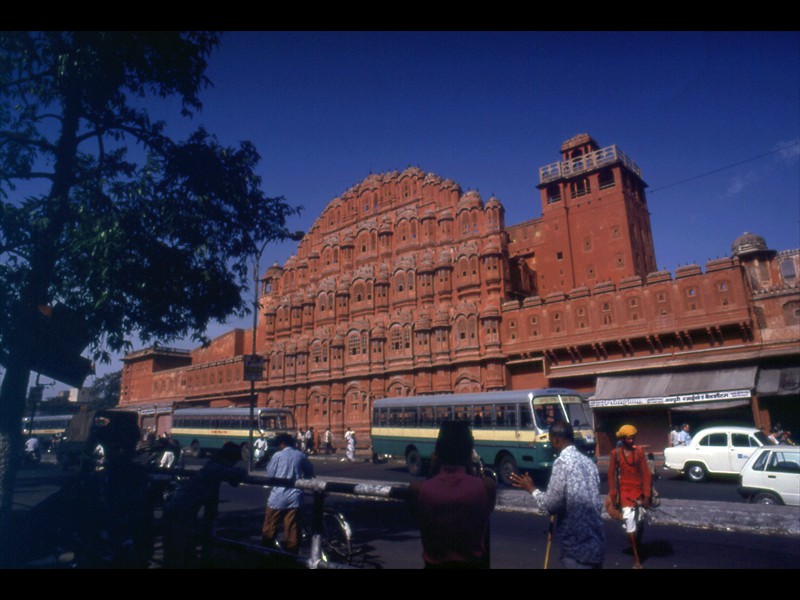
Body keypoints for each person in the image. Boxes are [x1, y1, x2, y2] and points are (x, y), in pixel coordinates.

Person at [509, 420, 605, 569]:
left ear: (556, 440)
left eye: (551, 441)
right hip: (596, 544)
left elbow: (551, 505)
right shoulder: (589, 463)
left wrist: (532, 489)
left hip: (577, 549)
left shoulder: (562, 463)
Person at [407, 421, 496, 569]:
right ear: (469, 451)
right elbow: (486, 512)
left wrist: (433, 468)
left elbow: (418, 516)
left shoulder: (417, 489)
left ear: (437, 451)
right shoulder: (487, 486)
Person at [162, 441, 245, 568]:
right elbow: (236, 477)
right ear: (228, 459)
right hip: (180, 514)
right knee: (179, 555)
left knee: (182, 553)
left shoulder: (212, 466)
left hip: (180, 511)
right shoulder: (215, 468)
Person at [608, 424, 652, 569]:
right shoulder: (615, 453)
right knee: (630, 525)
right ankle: (637, 559)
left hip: (639, 492)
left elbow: (646, 474)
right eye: (628, 438)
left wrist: (647, 496)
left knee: (640, 522)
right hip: (625, 493)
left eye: (633, 438)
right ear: (622, 439)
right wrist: (613, 495)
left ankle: (636, 544)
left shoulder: (639, 452)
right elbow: (611, 475)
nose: (632, 441)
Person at [261, 433, 314, 553]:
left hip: (278, 497)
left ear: (282, 444)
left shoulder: (277, 456)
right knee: (292, 528)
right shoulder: (301, 455)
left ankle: (266, 551)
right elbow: (309, 472)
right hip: (295, 497)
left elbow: (270, 475)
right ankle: (291, 555)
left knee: (270, 526)